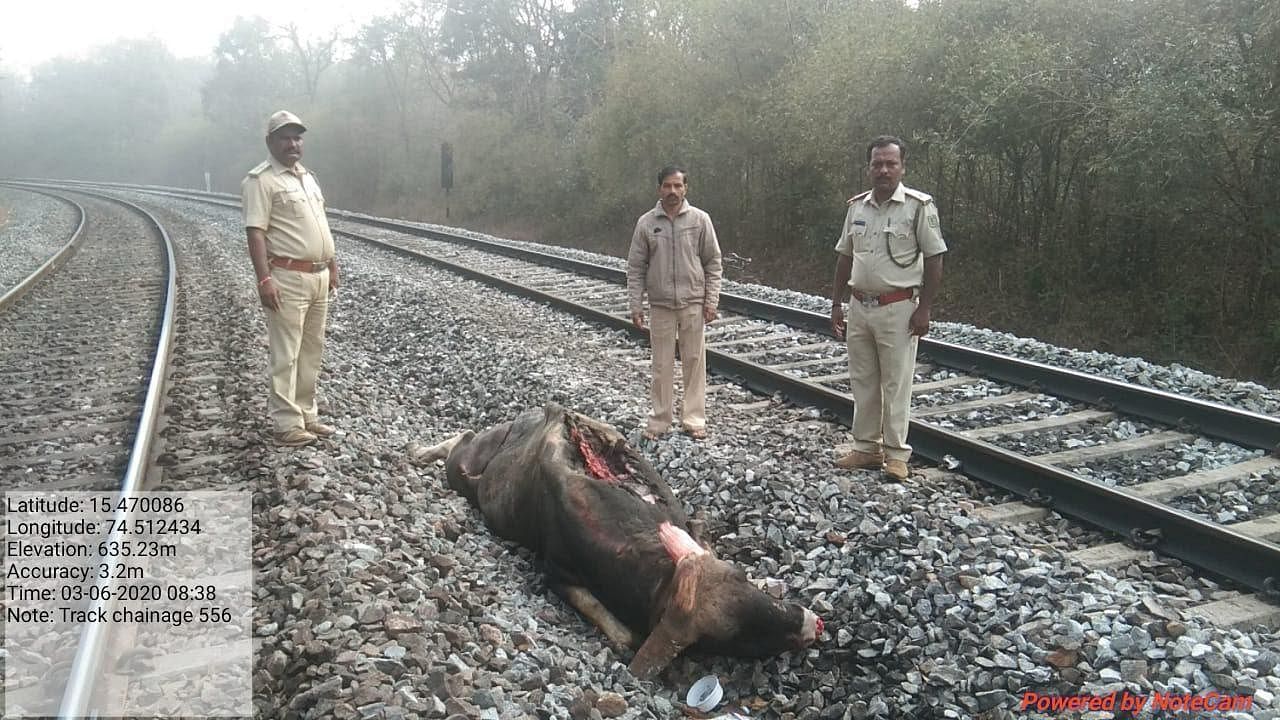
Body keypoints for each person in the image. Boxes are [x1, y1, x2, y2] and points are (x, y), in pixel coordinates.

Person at [830, 136, 946, 480]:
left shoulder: (918, 207)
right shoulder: (857, 208)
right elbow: (844, 256)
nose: (883, 170)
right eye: (877, 163)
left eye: (890, 163)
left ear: (902, 167)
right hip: (860, 306)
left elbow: (935, 257)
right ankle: (866, 448)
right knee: (863, 380)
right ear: (869, 168)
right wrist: (836, 303)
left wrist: (924, 308)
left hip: (899, 308)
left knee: (896, 383)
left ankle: (896, 455)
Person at [242, 110, 340, 447]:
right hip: (287, 277)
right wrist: (264, 280)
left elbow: (320, 225)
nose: (292, 143)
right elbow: (256, 233)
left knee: (312, 349)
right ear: (270, 142)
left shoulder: (307, 178)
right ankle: (285, 423)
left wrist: (332, 264)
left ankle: (306, 414)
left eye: (297, 137)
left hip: (318, 276)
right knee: (287, 353)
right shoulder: (261, 181)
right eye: (285, 137)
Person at [627, 166, 723, 441]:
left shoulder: (699, 220)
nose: (672, 191)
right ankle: (659, 420)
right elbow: (635, 267)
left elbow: (713, 262)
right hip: (661, 305)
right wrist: (636, 305)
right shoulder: (646, 223)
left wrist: (711, 300)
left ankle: (694, 420)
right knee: (661, 365)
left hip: (693, 302)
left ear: (685, 188)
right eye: (667, 186)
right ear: (659, 189)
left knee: (694, 362)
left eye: (677, 186)